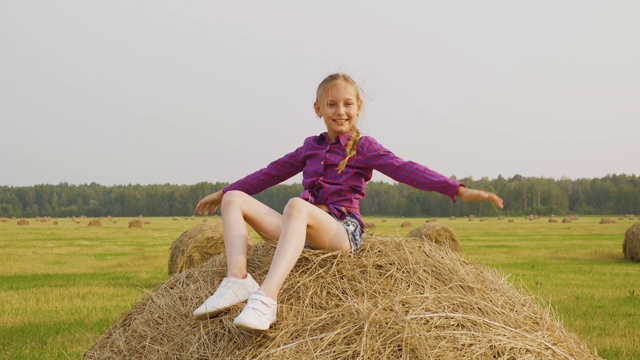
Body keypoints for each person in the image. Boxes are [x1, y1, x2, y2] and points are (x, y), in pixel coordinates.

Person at [192, 73, 504, 331]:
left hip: (342, 232)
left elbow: (405, 169)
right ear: (318, 109)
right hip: (300, 232)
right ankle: (237, 279)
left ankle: (266, 299)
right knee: (236, 200)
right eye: (332, 104)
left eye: (347, 104)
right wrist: (224, 192)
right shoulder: (308, 148)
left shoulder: (364, 147)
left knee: (296, 206)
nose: (340, 111)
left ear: (358, 107)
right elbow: (269, 173)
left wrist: (456, 189)